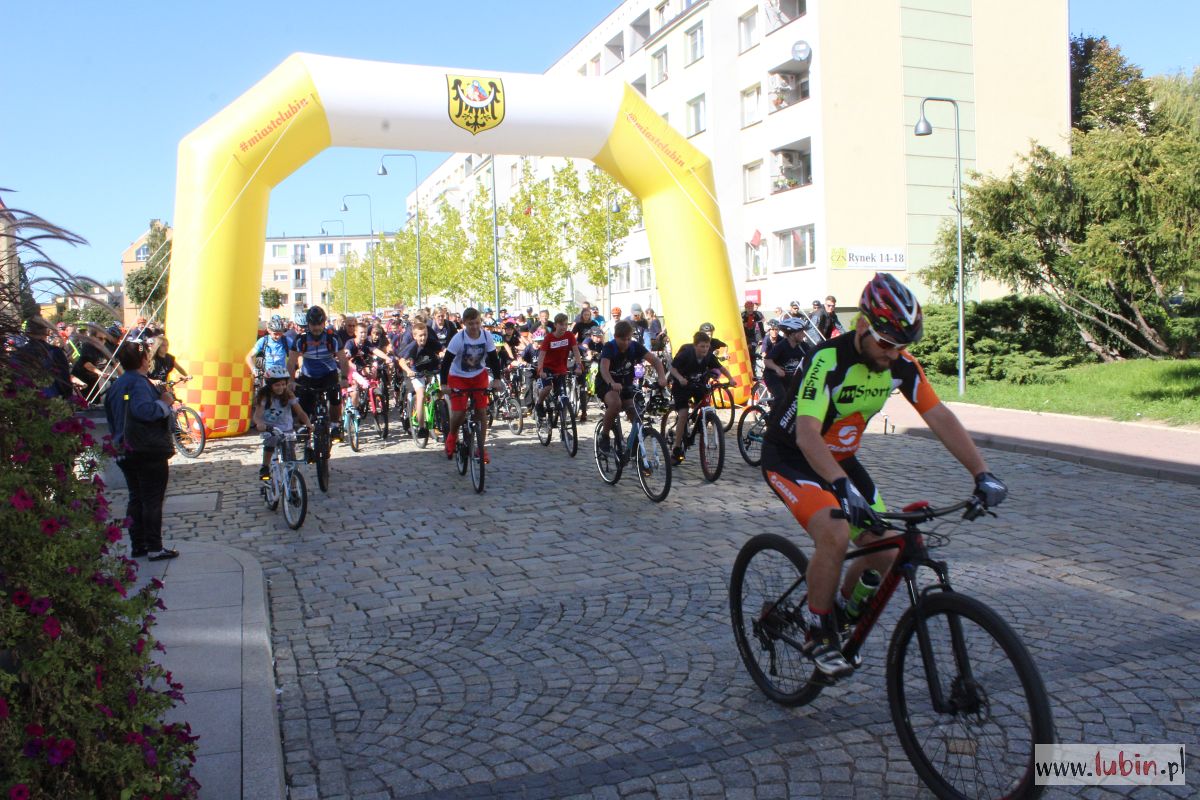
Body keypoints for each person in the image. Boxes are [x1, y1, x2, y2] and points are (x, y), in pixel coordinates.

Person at [760, 273, 1008, 677]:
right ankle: (817, 632)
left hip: (841, 460)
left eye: (902, 346)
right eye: (887, 343)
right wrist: (841, 488)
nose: (894, 353)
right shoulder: (827, 360)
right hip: (792, 457)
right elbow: (807, 435)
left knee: (887, 549)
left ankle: (841, 614)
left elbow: (938, 415)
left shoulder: (900, 365)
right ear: (862, 325)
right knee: (836, 532)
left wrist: (983, 474)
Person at [104, 337, 179, 561]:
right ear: (144, 360)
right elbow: (144, 411)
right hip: (147, 449)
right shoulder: (138, 383)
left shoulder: (117, 385)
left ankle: (139, 544)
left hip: (125, 448)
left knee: (136, 497)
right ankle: (154, 546)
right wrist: (164, 402)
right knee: (151, 499)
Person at [439, 307, 502, 462]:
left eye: (477, 323)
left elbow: (494, 359)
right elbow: (446, 362)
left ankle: (481, 447)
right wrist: (444, 384)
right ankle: (452, 436)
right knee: (459, 412)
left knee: (481, 412)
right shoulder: (458, 339)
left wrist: (497, 379)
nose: (474, 327)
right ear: (464, 324)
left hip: (478, 375)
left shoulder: (486, 336)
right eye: (470, 324)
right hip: (458, 376)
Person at [596, 320, 668, 456]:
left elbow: (655, 361)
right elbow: (604, 369)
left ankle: (632, 444)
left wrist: (662, 377)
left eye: (629, 339)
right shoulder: (609, 347)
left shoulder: (635, 347)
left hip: (626, 385)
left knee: (636, 414)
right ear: (616, 337)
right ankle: (604, 436)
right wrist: (611, 383)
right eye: (623, 339)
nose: (627, 342)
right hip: (606, 384)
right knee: (616, 404)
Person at [667, 331, 733, 463]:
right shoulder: (686, 354)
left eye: (707, 346)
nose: (705, 349)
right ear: (695, 345)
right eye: (702, 346)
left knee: (706, 404)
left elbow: (721, 368)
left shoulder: (708, 356)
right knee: (683, 413)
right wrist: (680, 378)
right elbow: (672, 368)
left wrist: (731, 379)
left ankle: (701, 422)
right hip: (681, 385)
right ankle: (677, 447)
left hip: (697, 384)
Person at [288, 305, 349, 440]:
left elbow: (343, 360)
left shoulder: (332, 337)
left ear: (324, 323)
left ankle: (334, 424)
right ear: (308, 324)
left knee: (335, 396)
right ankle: (304, 427)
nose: (316, 328)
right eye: (313, 324)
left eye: (319, 324)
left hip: (328, 374)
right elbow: (291, 362)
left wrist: (344, 378)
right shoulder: (301, 339)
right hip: (308, 375)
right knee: (303, 401)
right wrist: (291, 381)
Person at [252, 366, 311, 480]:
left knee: (292, 458)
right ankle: (265, 466)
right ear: (270, 385)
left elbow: (300, 412)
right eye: (277, 385)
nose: (281, 387)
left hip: (287, 429)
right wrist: (260, 423)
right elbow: (257, 416)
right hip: (270, 429)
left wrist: (308, 423)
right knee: (271, 440)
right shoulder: (264, 396)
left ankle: (293, 481)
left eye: (283, 384)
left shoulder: (288, 395)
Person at [397, 321, 443, 440]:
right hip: (417, 372)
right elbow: (401, 361)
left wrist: (443, 353)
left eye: (425, 334)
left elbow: (442, 349)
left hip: (432, 369)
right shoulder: (412, 347)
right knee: (421, 395)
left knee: (442, 389)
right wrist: (408, 370)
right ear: (414, 336)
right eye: (420, 335)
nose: (423, 338)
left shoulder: (431, 342)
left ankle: (443, 413)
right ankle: (422, 427)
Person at [534, 313, 582, 423]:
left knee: (562, 396)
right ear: (555, 325)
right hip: (547, 368)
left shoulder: (569, 336)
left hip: (560, 369)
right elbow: (541, 356)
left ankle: (563, 425)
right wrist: (540, 370)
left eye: (565, 324)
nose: (564, 327)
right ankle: (539, 404)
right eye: (561, 324)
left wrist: (579, 365)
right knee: (547, 387)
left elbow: (576, 351)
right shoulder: (549, 338)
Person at [15, 317, 73, 399]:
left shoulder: (19, 353)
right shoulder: (55, 352)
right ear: (46, 332)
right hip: (51, 399)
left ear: (27, 333)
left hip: (24, 399)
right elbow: (64, 380)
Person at [763, 317, 812, 402]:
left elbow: (813, 355)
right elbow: (767, 361)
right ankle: (775, 411)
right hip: (773, 376)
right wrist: (777, 369)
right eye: (801, 332)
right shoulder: (781, 346)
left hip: (788, 377)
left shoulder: (803, 346)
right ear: (793, 334)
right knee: (782, 398)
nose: (804, 335)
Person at [246, 315, 291, 380]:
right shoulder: (263, 340)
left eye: (280, 333)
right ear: (269, 330)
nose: (278, 336)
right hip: (267, 376)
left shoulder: (286, 340)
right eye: (275, 334)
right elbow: (249, 357)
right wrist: (254, 370)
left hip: (282, 376)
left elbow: (297, 354)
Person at [741, 300, 765, 374]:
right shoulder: (742, 315)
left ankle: (753, 370)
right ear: (745, 308)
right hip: (745, 338)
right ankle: (748, 370)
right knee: (747, 353)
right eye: (748, 308)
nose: (750, 309)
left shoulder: (757, 314)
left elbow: (761, 325)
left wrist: (762, 338)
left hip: (755, 338)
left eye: (751, 307)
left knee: (753, 353)